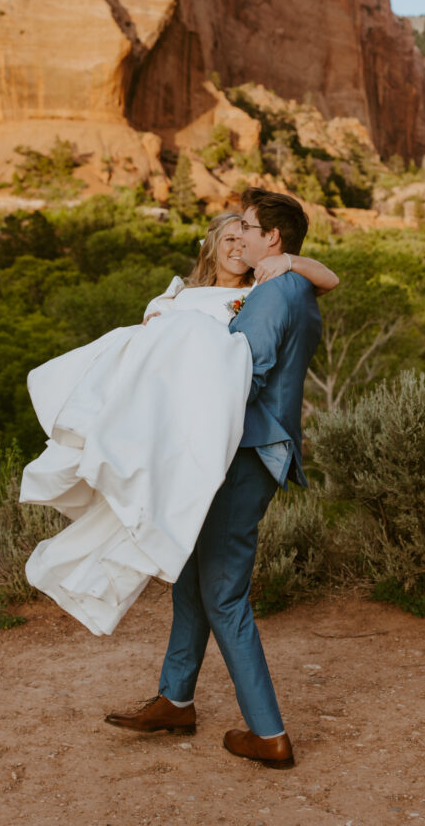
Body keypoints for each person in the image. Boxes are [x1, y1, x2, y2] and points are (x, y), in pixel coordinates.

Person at [104, 188, 338, 769]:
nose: (242, 233)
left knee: (224, 594)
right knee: (190, 575)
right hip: (245, 455)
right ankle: (175, 698)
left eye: (250, 227)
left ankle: (268, 733)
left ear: (272, 239)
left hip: (241, 458)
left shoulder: (272, 293)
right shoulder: (292, 285)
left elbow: (239, 379)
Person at [20, 208, 335, 637]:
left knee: (198, 562)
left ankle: (176, 693)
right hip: (160, 406)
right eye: (228, 239)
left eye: (244, 237)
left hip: (207, 421)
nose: (237, 246)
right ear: (211, 246)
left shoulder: (260, 292)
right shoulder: (180, 295)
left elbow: (327, 279)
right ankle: (175, 697)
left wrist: (291, 261)